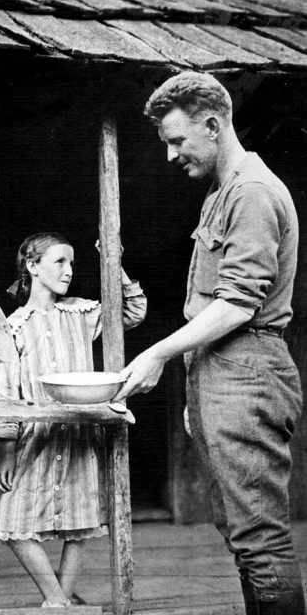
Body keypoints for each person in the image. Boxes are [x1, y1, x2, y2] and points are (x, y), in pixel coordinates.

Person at [112, 72, 305, 615]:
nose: (172, 155)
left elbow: (239, 303)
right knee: (242, 535)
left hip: (247, 370)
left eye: (178, 141)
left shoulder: (252, 193)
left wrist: (156, 353)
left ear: (214, 125)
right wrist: (196, 389)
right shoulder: (222, 193)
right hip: (220, 374)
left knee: (261, 541)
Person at [0, 232, 147, 607]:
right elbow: (7, 391)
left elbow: (133, 310)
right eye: (60, 261)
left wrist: (113, 262)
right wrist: (5, 450)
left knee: (79, 526)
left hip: (81, 435)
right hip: (37, 437)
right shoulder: (13, 326)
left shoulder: (82, 313)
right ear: (33, 266)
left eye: (73, 262)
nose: (69, 270)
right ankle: (58, 599)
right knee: (14, 523)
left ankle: (57, 605)